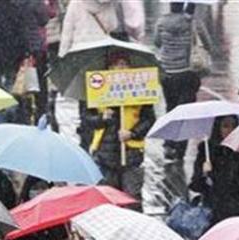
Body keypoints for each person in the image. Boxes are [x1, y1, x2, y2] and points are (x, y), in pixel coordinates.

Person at [82, 55, 155, 203]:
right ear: (109, 69)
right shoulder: (97, 90)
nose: (121, 68)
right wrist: (102, 118)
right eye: (116, 64)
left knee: (132, 198)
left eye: (124, 64)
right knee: (108, 199)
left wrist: (132, 133)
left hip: (131, 153)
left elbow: (149, 119)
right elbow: (87, 119)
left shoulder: (140, 89)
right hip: (105, 154)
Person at [154, 2, 212, 160]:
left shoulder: (161, 22)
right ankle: (180, 149)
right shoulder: (192, 22)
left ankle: (169, 144)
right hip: (187, 73)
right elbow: (208, 44)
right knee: (185, 111)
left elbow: (157, 42)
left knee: (170, 108)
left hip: (167, 72)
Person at [60, 0, 144, 54]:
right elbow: (113, 25)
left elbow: (67, 31)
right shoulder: (108, 5)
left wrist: (62, 52)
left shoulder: (75, 3)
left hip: (80, 48)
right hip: (102, 46)